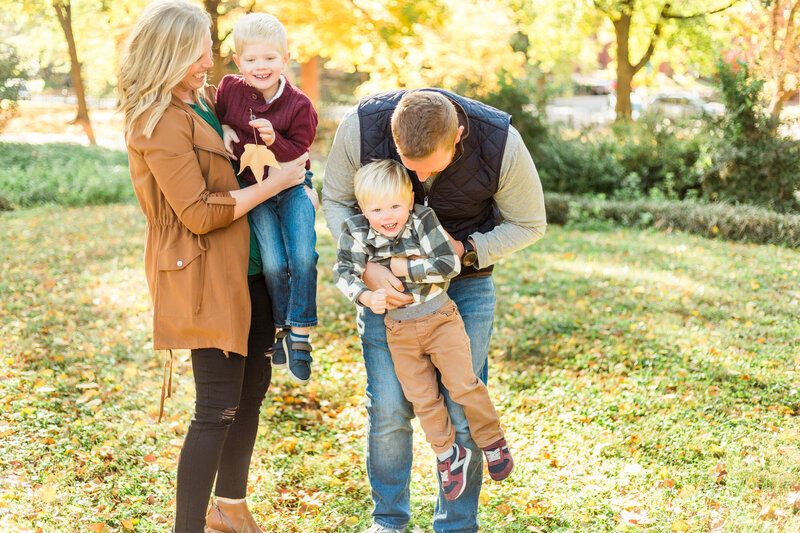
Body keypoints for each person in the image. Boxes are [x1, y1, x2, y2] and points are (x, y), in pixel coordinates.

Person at [118, 1, 308, 531]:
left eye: (209, 52)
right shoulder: (156, 122)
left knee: (250, 393)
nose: (209, 63)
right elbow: (199, 213)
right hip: (203, 272)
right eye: (199, 55)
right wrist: (277, 183)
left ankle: (230, 507)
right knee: (217, 406)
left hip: (250, 265)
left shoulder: (203, 101)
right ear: (169, 55)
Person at [322, 89, 547, 532]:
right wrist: (367, 269)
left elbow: (529, 223)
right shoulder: (361, 127)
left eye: (431, 166)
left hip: (465, 282)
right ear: (393, 138)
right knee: (389, 407)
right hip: (388, 293)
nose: (420, 176)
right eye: (411, 165)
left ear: (458, 136)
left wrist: (466, 250)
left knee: (461, 401)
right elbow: (336, 201)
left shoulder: (500, 142)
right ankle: (389, 521)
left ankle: (456, 526)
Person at [333, 159, 514, 502]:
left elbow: (449, 263)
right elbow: (343, 271)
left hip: (439, 318)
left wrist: (404, 267)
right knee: (422, 398)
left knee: (462, 384)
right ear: (362, 208)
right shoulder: (356, 230)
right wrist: (366, 296)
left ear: (410, 200)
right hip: (399, 328)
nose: (387, 216)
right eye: (376, 209)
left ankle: (492, 439)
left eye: (395, 206)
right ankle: (448, 454)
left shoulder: (422, 220)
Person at [216, 12, 319, 385]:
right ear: (238, 61)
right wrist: (225, 126)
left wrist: (276, 141)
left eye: (270, 58)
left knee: (302, 255)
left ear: (285, 59)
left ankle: (301, 333)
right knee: (274, 263)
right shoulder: (230, 90)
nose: (261, 66)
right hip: (254, 187)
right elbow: (218, 114)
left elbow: (301, 151)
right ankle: (281, 328)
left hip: (291, 184)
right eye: (251, 59)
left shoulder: (299, 105)